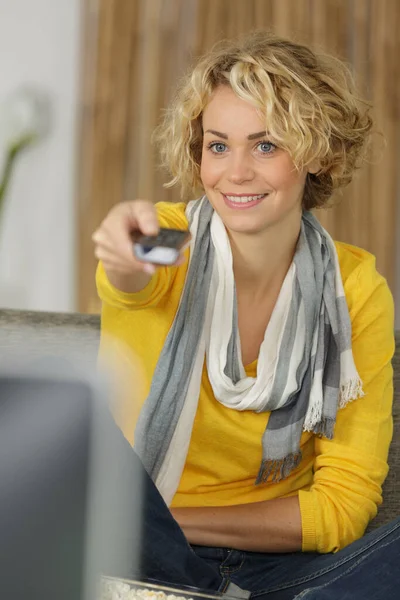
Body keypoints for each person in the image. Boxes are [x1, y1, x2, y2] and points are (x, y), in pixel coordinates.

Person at [92, 31, 400, 599]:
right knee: (78, 446)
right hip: (142, 552)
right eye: (217, 145)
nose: (234, 173)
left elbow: (342, 507)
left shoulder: (355, 290)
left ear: (318, 153)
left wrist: (174, 524)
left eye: (265, 146)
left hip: (281, 572)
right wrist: (123, 251)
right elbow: (134, 272)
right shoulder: (171, 240)